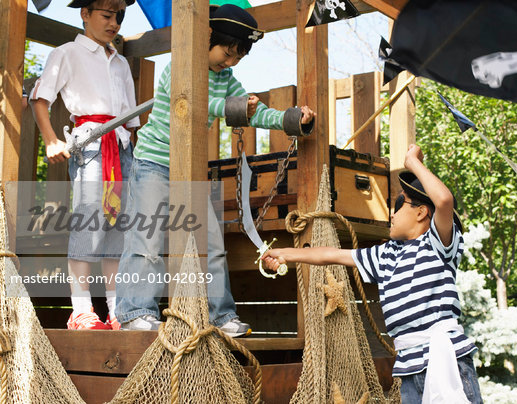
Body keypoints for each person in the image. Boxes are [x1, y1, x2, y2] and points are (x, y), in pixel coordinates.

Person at [114, 4, 316, 336]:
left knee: (211, 244)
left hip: (190, 172)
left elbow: (254, 112)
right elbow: (195, 102)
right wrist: (234, 107)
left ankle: (221, 317)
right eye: (228, 51)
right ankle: (135, 312)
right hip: (153, 164)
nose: (231, 61)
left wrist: (290, 119)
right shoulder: (178, 67)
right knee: (145, 242)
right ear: (208, 36)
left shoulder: (226, 79)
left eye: (239, 57)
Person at [262, 144, 483, 403]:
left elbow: (444, 201)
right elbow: (331, 255)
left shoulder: (437, 244)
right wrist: (286, 253)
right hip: (409, 367)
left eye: (400, 206)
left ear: (422, 212)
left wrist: (413, 163)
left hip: (447, 359)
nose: (392, 213)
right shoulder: (385, 254)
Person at [30, 0, 138, 330]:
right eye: (107, 15)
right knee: (90, 225)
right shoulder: (66, 53)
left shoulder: (121, 63)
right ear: (85, 14)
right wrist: (50, 139)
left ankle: (117, 309)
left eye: (118, 16)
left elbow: (131, 120)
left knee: (119, 229)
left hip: (122, 146)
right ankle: (81, 310)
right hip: (90, 145)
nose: (114, 23)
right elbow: (39, 98)